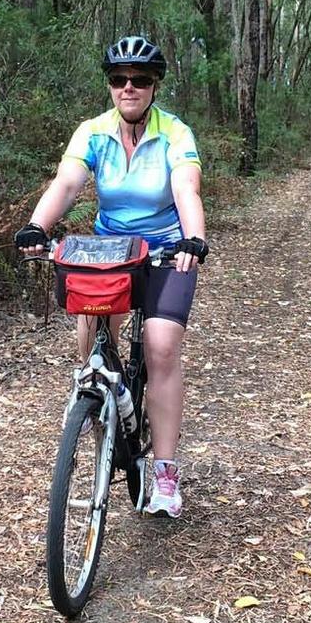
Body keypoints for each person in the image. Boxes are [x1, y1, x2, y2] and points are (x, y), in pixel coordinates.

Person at [14, 35, 209, 518]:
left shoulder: (175, 134)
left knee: (162, 345)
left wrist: (193, 239)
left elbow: (186, 189)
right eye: (119, 79)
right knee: (93, 351)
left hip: (167, 251)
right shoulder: (93, 132)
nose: (129, 87)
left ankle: (164, 471)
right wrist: (38, 226)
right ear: (109, 85)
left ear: (154, 86)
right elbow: (68, 182)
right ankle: (106, 419)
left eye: (140, 80)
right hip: (109, 252)